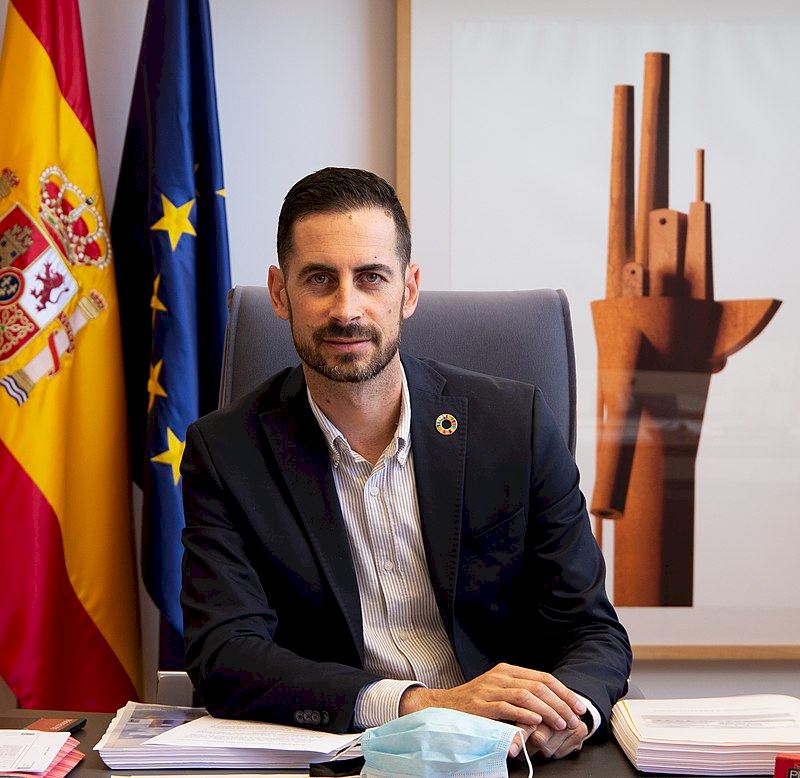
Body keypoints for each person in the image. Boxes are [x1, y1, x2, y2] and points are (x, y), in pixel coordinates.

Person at [181, 167, 631, 760]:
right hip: (349, 754)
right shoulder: (226, 452)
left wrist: (567, 713)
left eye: (371, 277)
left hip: (507, 755)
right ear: (280, 292)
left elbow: (592, 630)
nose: (347, 309)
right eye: (319, 279)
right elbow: (225, 654)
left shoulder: (513, 424)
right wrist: (421, 704)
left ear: (409, 290)